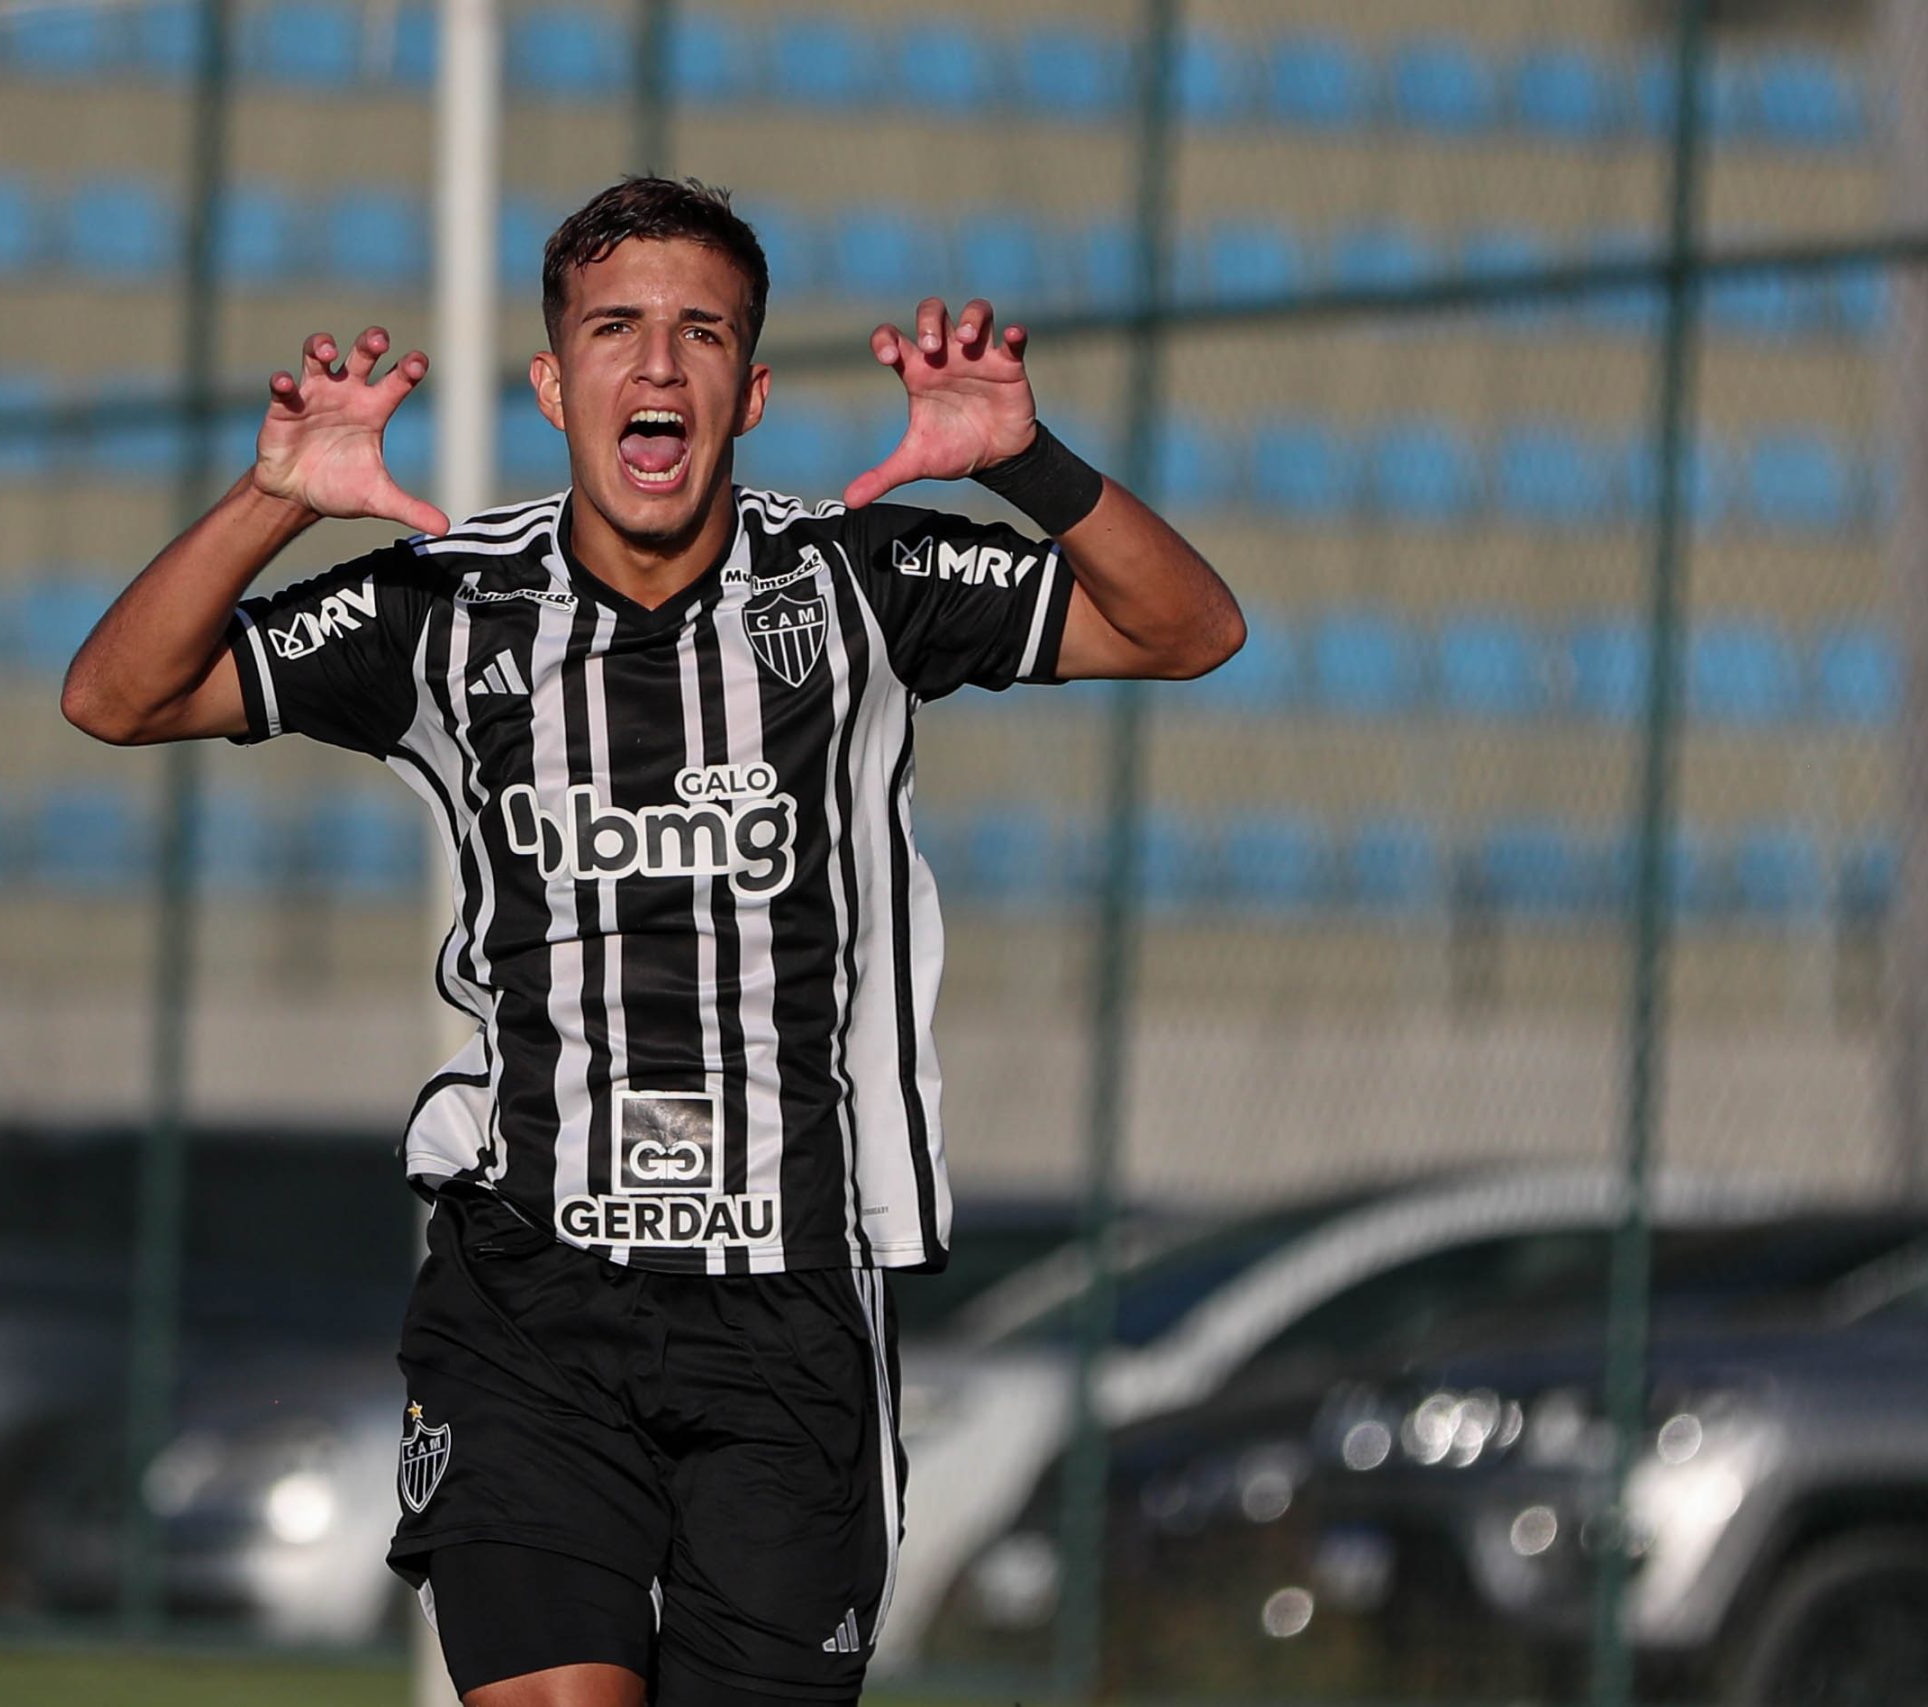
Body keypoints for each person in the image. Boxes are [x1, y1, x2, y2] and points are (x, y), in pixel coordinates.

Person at [62, 177, 1241, 1707]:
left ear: (748, 390)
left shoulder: (856, 585)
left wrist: (1028, 465)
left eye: (701, 332)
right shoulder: (447, 607)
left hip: (792, 1298)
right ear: (557, 384)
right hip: (530, 1290)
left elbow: (1186, 628)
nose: (659, 365)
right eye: (616, 330)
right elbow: (118, 695)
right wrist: (274, 495)